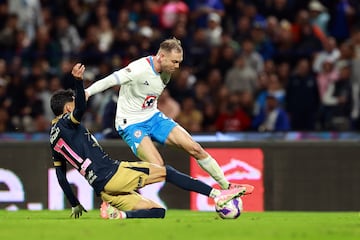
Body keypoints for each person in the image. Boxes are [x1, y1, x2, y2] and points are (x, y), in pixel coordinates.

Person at [50, 63, 254, 219]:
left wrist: (74, 203)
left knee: (158, 211)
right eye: (73, 102)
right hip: (112, 173)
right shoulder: (68, 122)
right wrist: (78, 83)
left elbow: (61, 175)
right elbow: (80, 110)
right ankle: (217, 195)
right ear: (67, 109)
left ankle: (120, 215)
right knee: (168, 172)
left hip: (103, 190)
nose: (77, 103)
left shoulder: (54, 138)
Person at [85, 37, 246, 190]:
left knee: (195, 148)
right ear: (161, 56)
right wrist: (87, 92)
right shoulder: (139, 69)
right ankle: (114, 190)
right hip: (130, 123)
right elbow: (111, 80)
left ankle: (227, 187)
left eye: (179, 62)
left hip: (153, 117)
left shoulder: (166, 72)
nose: (177, 66)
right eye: (174, 62)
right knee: (158, 167)